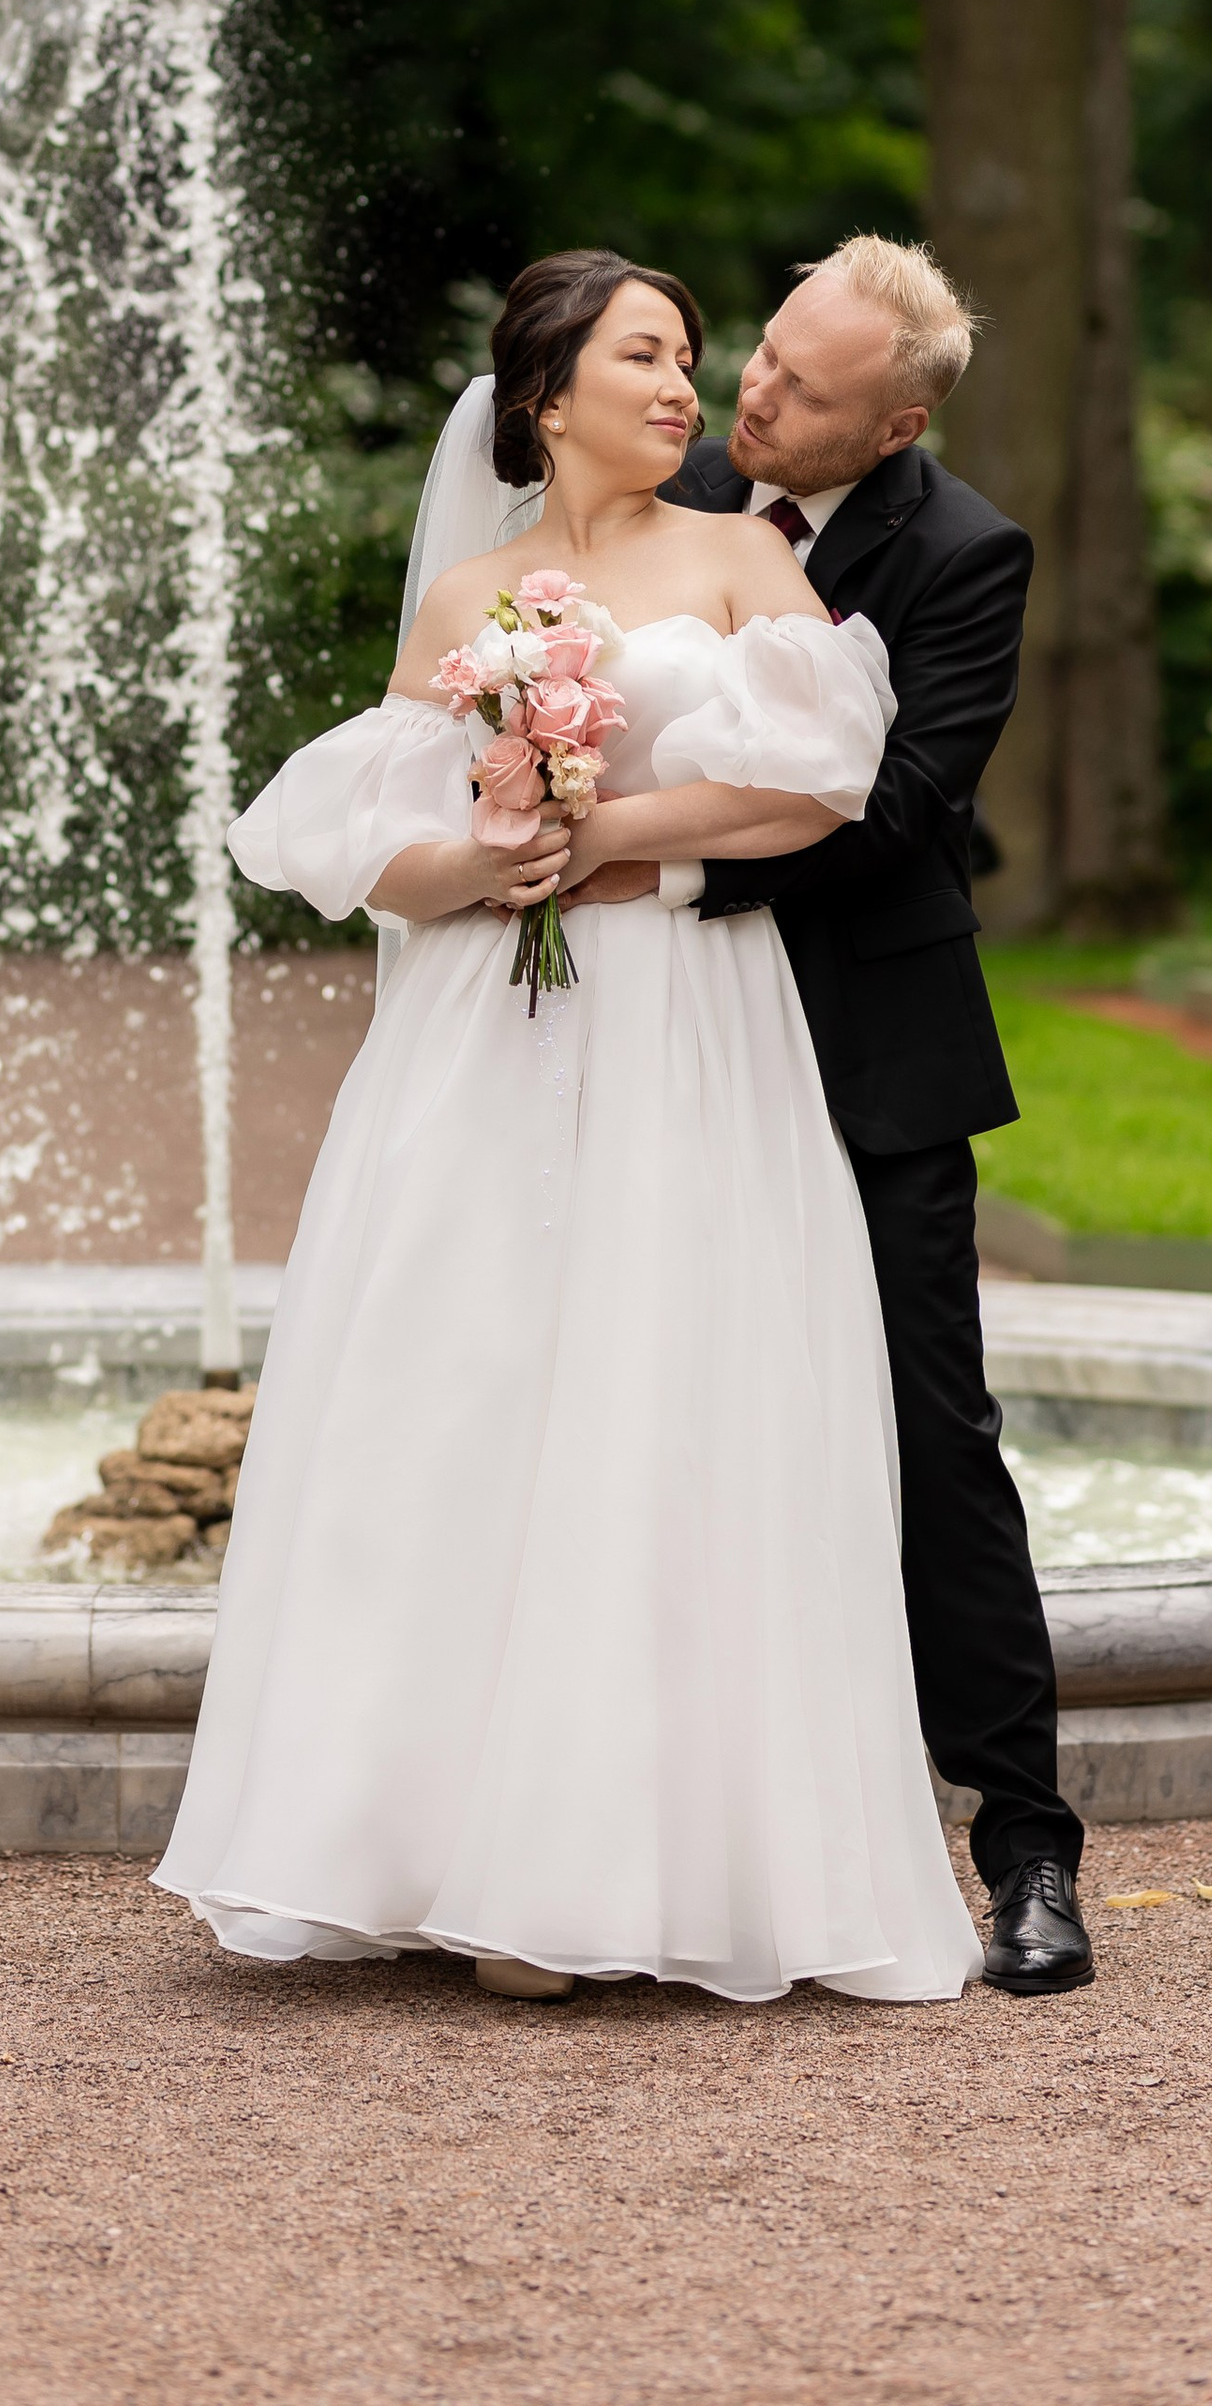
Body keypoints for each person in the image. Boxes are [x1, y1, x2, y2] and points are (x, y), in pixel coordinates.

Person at [151, 248, 985, 2005]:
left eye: (693, 359)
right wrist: (488, 858)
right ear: (547, 400)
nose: (689, 390)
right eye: (650, 358)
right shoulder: (469, 599)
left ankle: (619, 1862)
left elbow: (811, 787)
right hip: (485, 1037)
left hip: (687, 1021)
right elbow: (366, 836)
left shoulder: (747, 558)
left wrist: (604, 834)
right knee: (467, 1392)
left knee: (666, 1396)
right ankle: (430, 1845)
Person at [641, 236, 1094, 1997]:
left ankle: (1028, 1848)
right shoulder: (656, 489)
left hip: (869, 1054)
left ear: (894, 424)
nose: (750, 397)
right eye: (758, 358)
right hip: (661, 1046)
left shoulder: (966, 554)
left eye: (802, 392)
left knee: (931, 1435)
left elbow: (903, 807)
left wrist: (643, 862)